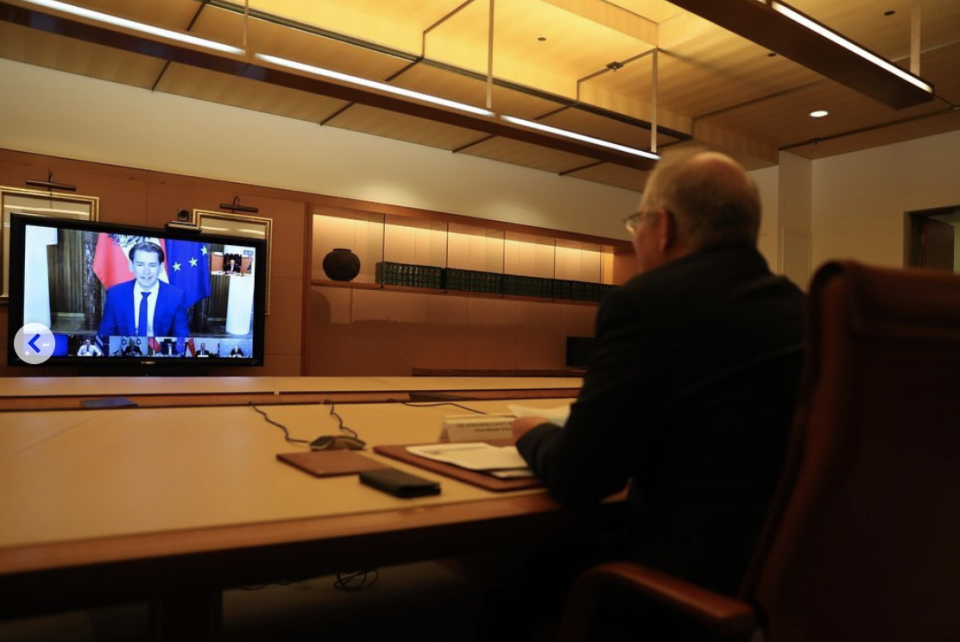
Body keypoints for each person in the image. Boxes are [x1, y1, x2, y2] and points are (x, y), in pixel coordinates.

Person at [509, 150, 806, 634]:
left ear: (663, 225)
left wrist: (532, 431)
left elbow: (579, 479)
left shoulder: (644, 303)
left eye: (637, 223)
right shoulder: (804, 308)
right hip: (790, 579)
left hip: (687, 584)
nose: (639, 235)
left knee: (533, 568)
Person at [98, 241, 190, 338]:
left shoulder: (176, 296)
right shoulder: (116, 294)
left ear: (161, 267)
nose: (146, 271)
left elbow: (181, 337)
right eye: (140, 265)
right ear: (131, 266)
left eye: (152, 265)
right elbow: (105, 335)